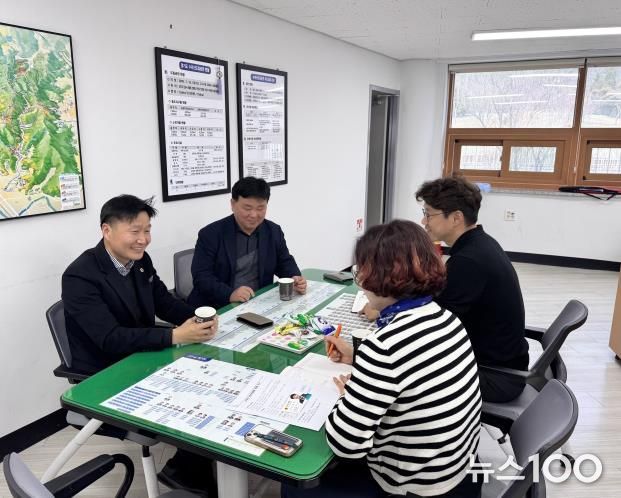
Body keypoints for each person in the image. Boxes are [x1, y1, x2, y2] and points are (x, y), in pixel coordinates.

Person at [283, 220, 482, 498]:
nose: (360, 282)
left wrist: (347, 395)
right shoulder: (445, 318)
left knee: (294, 485)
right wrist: (358, 358)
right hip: (457, 470)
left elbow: (346, 444)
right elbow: (412, 367)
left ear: (380, 277)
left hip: (413, 486)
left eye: (360, 271)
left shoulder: (384, 346)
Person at [62, 194, 219, 497]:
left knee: (211, 380)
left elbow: (163, 302)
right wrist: (175, 336)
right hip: (106, 373)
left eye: (147, 230)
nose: (143, 239)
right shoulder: (80, 275)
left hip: (141, 357)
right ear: (107, 230)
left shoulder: (139, 261)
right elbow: (109, 338)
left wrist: (199, 317)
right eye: (135, 231)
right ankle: (188, 471)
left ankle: (186, 467)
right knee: (196, 396)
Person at [415, 176, 529, 403]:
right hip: (499, 364)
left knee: (402, 371)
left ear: (456, 217)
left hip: (494, 376)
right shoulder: (480, 244)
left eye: (429, 214)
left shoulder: (469, 261)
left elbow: (433, 327)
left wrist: (386, 310)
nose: (423, 220)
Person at [188, 176, 306, 309]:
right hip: (218, 305)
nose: (254, 215)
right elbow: (202, 277)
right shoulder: (211, 234)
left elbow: (284, 261)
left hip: (258, 301)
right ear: (233, 204)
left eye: (260, 208)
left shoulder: (273, 231)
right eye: (247, 208)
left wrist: (295, 278)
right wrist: (230, 294)